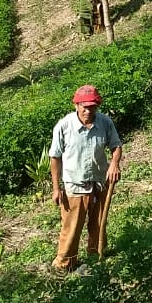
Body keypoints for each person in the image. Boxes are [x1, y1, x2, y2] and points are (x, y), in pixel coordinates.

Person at [50, 85, 122, 272]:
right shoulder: (64, 126)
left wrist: (114, 163)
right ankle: (64, 264)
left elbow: (116, 146)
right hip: (75, 185)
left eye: (92, 107)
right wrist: (56, 188)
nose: (88, 111)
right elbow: (55, 157)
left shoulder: (105, 123)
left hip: (99, 181)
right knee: (72, 227)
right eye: (84, 106)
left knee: (98, 223)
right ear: (76, 105)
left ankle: (96, 255)